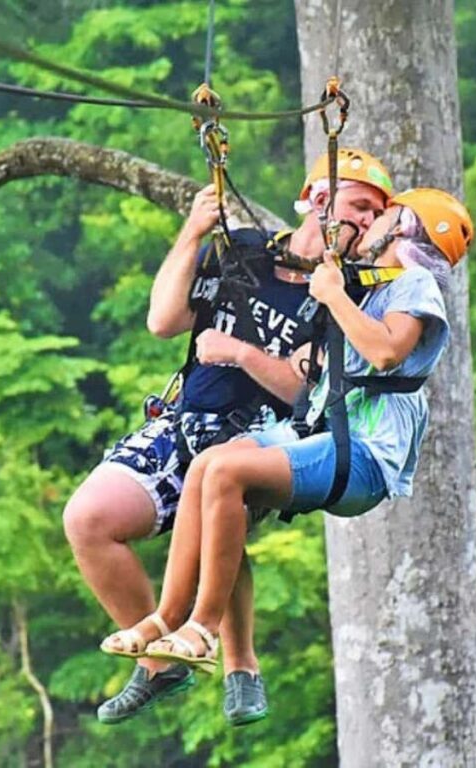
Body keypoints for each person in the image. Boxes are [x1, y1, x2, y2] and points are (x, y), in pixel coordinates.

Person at [63, 148, 393, 725]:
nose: (366, 221)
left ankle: (240, 662)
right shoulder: (241, 252)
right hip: (185, 419)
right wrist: (193, 233)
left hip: (263, 435)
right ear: (319, 199)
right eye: (359, 205)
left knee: (222, 489)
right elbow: (164, 321)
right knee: (87, 519)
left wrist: (241, 353)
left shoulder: (345, 295)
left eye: (375, 215)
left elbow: (306, 393)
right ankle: (161, 663)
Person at [101, 188, 475, 677]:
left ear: (404, 228)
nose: (373, 221)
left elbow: (386, 353)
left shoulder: (415, 283)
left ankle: (204, 628)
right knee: (209, 463)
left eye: (385, 214)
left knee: (228, 473)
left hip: (364, 453)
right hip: (331, 434)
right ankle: (166, 617)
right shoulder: (372, 286)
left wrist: (333, 295)